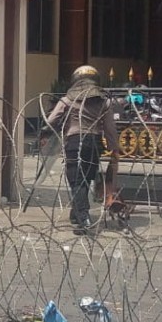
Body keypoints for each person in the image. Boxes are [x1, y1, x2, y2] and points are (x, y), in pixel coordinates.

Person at [42, 65, 121, 234]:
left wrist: (46, 134)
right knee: (84, 180)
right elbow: (110, 129)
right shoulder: (104, 102)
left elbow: (51, 121)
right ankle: (75, 214)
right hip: (94, 143)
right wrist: (114, 149)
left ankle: (84, 218)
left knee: (76, 181)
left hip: (74, 143)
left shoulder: (67, 100)